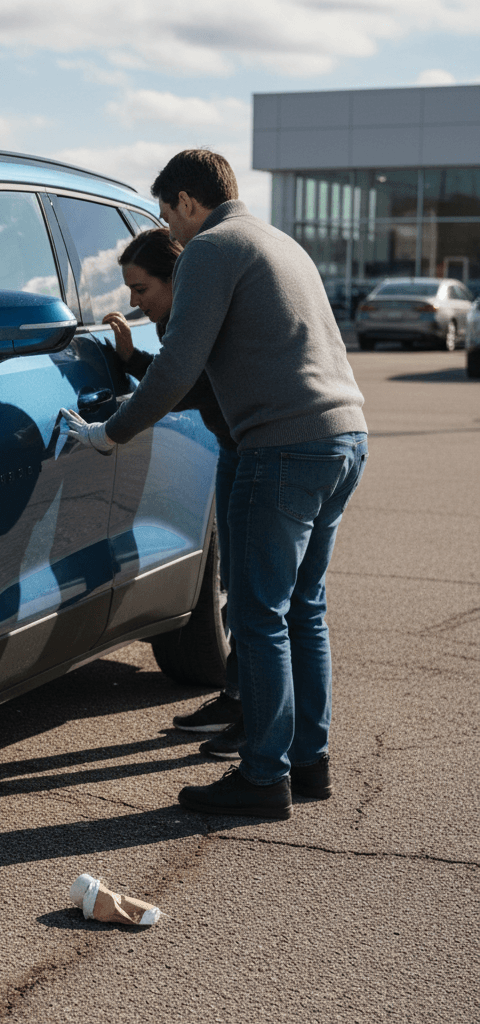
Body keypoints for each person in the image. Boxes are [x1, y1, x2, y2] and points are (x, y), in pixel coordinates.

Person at [61, 150, 368, 820]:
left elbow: (176, 370)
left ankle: (262, 779)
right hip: (345, 436)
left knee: (258, 616)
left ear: (189, 202)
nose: (170, 229)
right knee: (301, 609)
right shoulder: (279, 243)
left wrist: (109, 431)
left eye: (170, 213)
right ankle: (307, 762)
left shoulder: (211, 248)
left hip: (280, 447)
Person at [99, 228, 243, 759]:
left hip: (262, 452)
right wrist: (134, 358)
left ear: (174, 280)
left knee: (260, 603)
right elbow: (183, 379)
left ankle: (262, 740)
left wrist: (109, 431)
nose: (133, 302)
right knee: (262, 600)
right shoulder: (179, 317)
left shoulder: (199, 315)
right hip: (237, 448)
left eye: (140, 289)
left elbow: (180, 384)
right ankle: (240, 704)